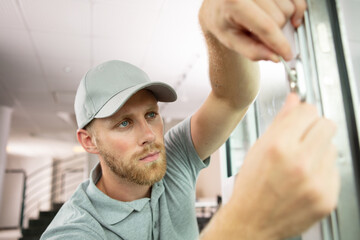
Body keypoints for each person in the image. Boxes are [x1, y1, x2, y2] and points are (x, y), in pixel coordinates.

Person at [41, 0, 339, 239]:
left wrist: (214, 26)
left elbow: (232, 98)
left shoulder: (173, 160)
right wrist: (249, 223)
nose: (149, 135)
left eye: (151, 115)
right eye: (124, 123)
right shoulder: (75, 230)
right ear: (89, 141)